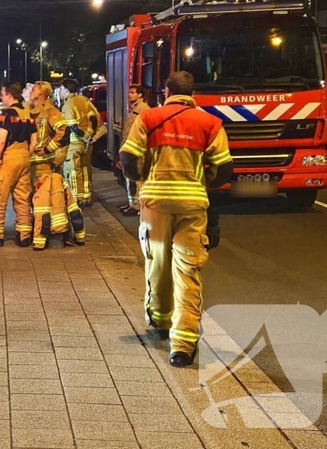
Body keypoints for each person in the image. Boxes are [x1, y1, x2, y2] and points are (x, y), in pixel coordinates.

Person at [119, 71, 233, 368]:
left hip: (156, 202)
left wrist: (143, 177)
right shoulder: (210, 123)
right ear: (192, 93)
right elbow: (223, 169)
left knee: (157, 262)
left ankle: (159, 321)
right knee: (187, 270)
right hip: (192, 204)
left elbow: (128, 158)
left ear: (165, 92)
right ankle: (182, 344)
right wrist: (202, 181)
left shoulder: (148, 118)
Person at [0, 81, 36, 248]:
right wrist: (26, 155)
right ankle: (24, 236)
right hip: (24, 158)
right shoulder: (27, 113)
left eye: (2, 94)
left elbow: (1, 140)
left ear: (10, 95)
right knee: (22, 198)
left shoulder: (8, 114)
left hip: (8, 159)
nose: (0, 97)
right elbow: (34, 141)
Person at [59, 79, 100, 207]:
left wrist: (83, 136)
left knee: (73, 171)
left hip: (75, 143)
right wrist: (91, 135)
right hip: (87, 144)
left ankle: (77, 198)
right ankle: (87, 196)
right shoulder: (84, 100)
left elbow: (73, 127)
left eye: (61, 89)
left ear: (66, 90)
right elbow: (94, 117)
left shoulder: (68, 104)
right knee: (86, 169)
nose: (59, 91)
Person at [28, 81, 69, 189]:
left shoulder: (50, 111)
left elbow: (64, 131)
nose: (30, 92)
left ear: (41, 92)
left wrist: (47, 149)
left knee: (43, 200)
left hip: (43, 165)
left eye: (33, 90)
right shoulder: (28, 110)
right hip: (29, 164)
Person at [119, 84, 150, 217]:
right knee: (130, 179)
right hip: (129, 148)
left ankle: (138, 206)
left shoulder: (143, 111)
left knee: (138, 180)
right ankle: (132, 203)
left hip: (138, 150)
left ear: (140, 95)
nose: (129, 94)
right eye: (129, 92)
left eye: (132, 92)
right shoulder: (134, 110)